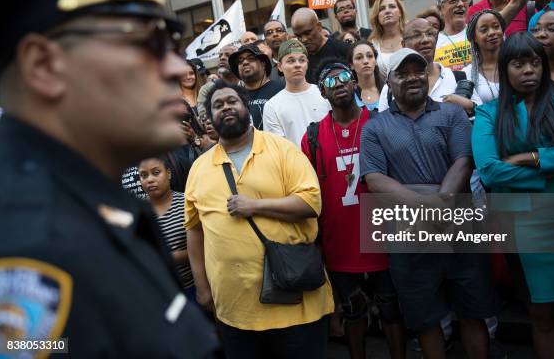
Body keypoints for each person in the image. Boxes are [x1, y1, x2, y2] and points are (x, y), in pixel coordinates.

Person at [0, 0, 218, 356]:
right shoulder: (32, 245)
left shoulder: (86, 203)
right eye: (146, 43)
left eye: (171, 44)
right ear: (44, 66)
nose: (174, 67)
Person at [361, 48, 496, 359]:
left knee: (473, 313)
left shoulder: (452, 114)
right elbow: (376, 179)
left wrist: (441, 203)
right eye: (402, 73)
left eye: (418, 71)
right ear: (388, 82)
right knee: (426, 320)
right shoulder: (374, 128)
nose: (412, 78)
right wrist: (429, 207)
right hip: (410, 239)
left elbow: (464, 161)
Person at [472, 32, 554, 359]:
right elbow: (490, 171)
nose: (528, 70)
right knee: (542, 317)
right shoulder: (489, 114)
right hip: (523, 226)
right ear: (505, 68)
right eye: (518, 63)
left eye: (534, 62)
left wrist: (534, 158)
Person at [185, 80, 334, 359]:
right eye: (218, 105)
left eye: (232, 101)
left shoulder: (282, 149)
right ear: (209, 119)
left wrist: (254, 206)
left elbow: (310, 202)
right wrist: (202, 288)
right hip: (236, 310)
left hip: (296, 303)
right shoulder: (199, 168)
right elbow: (194, 231)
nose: (226, 107)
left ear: (247, 108)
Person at [301, 61, 406, 359]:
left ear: (355, 82)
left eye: (345, 77)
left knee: (392, 311)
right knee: (353, 312)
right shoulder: (312, 136)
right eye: (331, 81)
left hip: (383, 238)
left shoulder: (380, 122)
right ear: (322, 92)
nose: (340, 84)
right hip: (340, 242)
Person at [437, 0, 530, 71]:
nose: (460, 4)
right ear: (440, 8)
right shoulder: (432, 42)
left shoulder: (480, 30)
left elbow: (516, 4)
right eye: (453, 1)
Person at [378, 18, 461, 112]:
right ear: (403, 44)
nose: (425, 40)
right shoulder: (392, 87)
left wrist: (465, 105)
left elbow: (478, 113)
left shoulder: (457, 78)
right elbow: (383, 123)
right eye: (416, 35)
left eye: (430, 34)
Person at [139, 157, 194, 295]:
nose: (149, 180)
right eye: (144, 175)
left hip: (192, 287)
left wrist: (166, 258)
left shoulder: (187, 203)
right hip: (160, 292)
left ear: (168, 174)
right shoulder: (137, 211)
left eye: (156, 173)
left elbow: (203, 248)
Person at [262, 39, 330, 145]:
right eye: (291, 61)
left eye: (302, 60)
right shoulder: (272, 106)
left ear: (307, 64)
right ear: (280, 66)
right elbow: (278, 147)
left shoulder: (325, 94)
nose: (297, 65)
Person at [228, 44, 283, 130]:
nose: (245, 62)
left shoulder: (281, 89)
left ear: (263, 64)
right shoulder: (235, 97)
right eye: (240, 61)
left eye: (251, 58)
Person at [291, 7, 350, 84]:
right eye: (298, 36)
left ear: (319, 26)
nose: (304, 39)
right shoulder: (299, 61)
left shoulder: (344, 50)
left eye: (307, 33)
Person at [463, 10, 506, 105]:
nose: (491, 33)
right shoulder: (467, 74)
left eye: (496, 27)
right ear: (474, 38)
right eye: (484, 30)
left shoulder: (515, 63)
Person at [368, 0, 407, 78]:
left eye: (392, 7)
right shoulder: (373, 45)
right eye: (382, 9)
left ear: (400, 12)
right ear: (377, 16)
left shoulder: (411, 36)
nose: (387, 11)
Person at [197, 43, 240, 115]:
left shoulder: (247, 84)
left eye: (228, 55)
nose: (222, 58)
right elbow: (204, 118)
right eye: (220, 55)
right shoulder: (207, 89)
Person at [347, 40, 385, 111]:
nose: (365, 61)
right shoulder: (348, 95)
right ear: (351, 65)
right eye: (359, 57)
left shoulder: (388, 89)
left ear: (376, 61)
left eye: (370, 56)